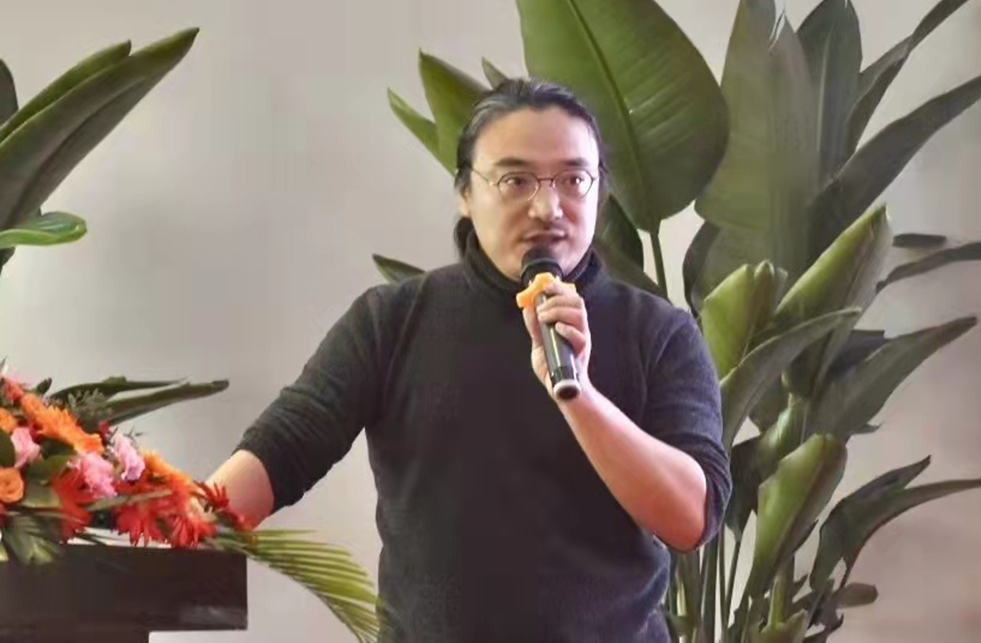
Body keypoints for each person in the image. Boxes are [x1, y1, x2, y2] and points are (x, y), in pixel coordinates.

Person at [208, 78, 731, 642]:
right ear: (465, 192)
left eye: (573, 180)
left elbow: (692, 518)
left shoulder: (660, 333)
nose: (547, 207)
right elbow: (287, 447)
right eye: (516, 180)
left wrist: (579, 393)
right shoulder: (394, 321)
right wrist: (173, 518)